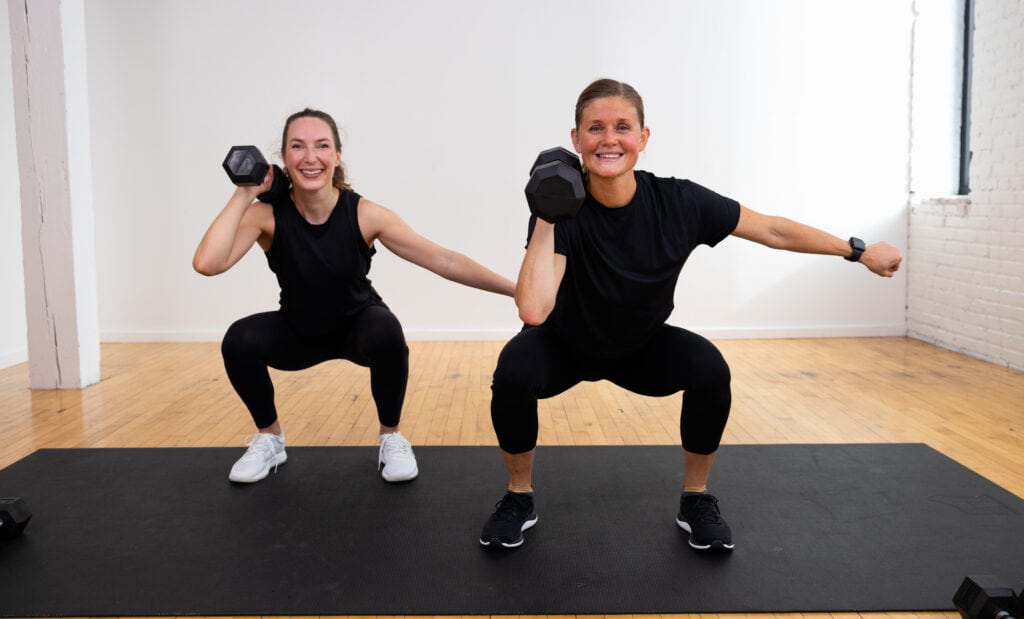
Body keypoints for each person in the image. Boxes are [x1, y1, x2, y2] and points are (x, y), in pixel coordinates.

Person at [478, 78, 902, 552]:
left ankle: (696, 498)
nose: (609, 139)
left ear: (643, 138)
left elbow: (772, 230)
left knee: (708, 368)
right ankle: (519, 497)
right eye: (595, 128)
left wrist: (857, 251)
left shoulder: (679, 202)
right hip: (564, 345)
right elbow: (534, 309)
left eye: (623, 126)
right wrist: (546, 214)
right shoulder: (562, 211)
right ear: (576, 140)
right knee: (514, 369)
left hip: (639, 345)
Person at [193, 108, 515, 484]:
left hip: (358, 328)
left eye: (322, 146)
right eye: (297, 147)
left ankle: (391, 438)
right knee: (239, 340)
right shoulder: (265, 215)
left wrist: (513, 289)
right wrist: (244, 192)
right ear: (282, 158)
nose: (310, 157)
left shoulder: (365, 214)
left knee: (387, 331)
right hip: (298, 331)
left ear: (337, 155)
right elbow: (208, 263)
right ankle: (270, 440)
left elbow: (443, 260)